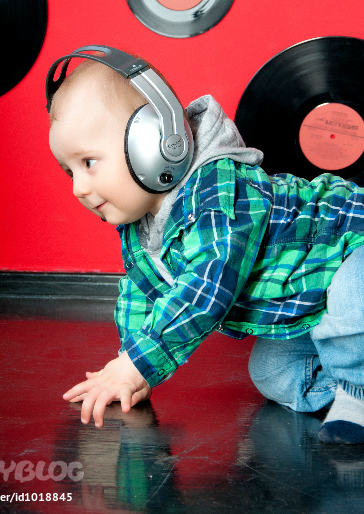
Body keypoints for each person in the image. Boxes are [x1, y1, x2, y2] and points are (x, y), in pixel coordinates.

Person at [47, 48, 364, 444]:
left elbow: (207, 287)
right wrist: (131, 366)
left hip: (354, 241)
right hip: (316, 293)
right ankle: (350, 381)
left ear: (154, 143)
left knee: (353, 296)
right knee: (273, 374)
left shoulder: (217, 192)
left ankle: (357, 395)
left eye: (88, 163)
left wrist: (138, 364)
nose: (78, 188)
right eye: (69, 171)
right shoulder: (142, 223)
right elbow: (141, 295)